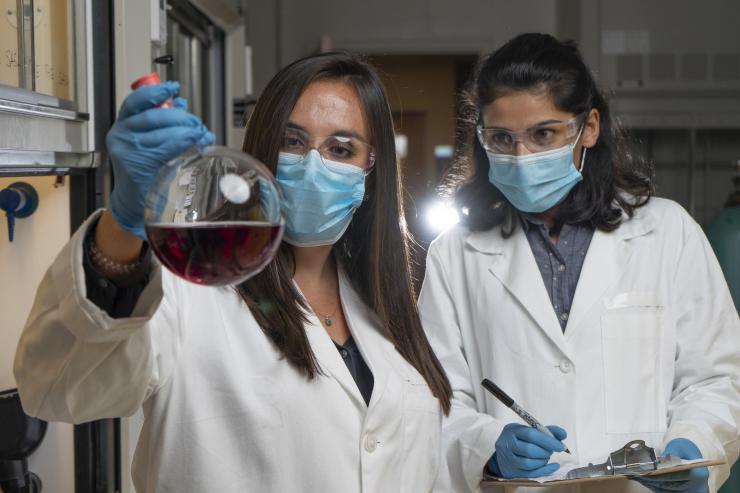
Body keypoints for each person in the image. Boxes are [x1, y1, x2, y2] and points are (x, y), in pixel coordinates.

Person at [14, 52, 452, 492]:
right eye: (293, 142)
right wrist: (123, 228)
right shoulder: (191, 286)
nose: (313, 166)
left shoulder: (383, 304)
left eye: (341, 149)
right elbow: (56, 386)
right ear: (261, 146)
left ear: (370, 170)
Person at [418, 33, 740, 493]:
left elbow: (717, 377)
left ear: (587, 128)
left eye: (543, 134)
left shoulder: (668, 232)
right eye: (502, 138)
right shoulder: (456, 253)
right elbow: (435, 402)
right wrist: (489, 446)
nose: (521, 156)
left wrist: (695, 443)